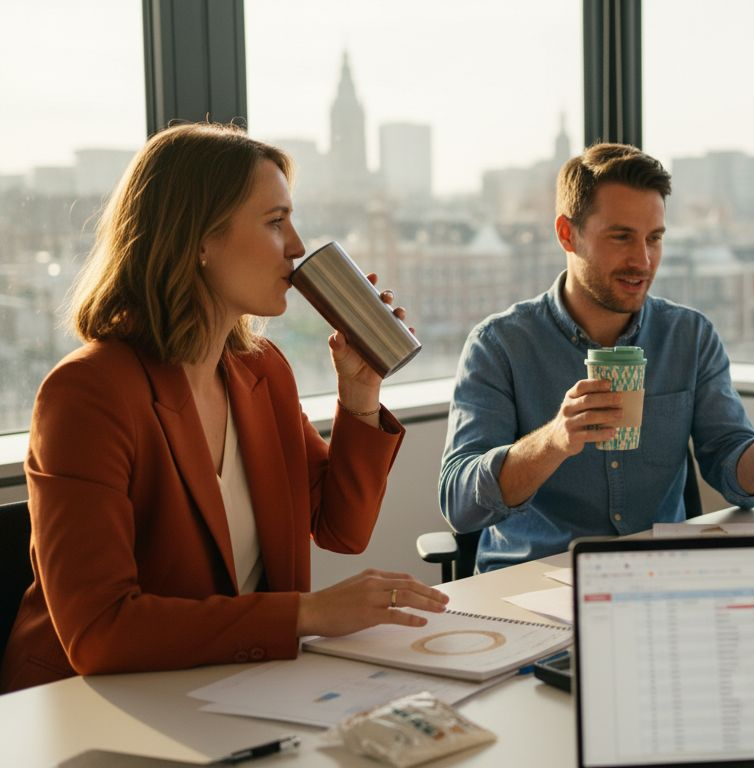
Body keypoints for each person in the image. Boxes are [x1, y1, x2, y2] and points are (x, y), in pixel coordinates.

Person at [1, 122, 448, 693]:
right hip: (94, 705)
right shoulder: (87, 394)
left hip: (232, 688)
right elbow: (100, 632)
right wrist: (307, 614)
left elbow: (341, 530)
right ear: (200, 241)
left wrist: (359, 397)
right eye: (275, 222)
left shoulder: (261, 371)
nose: (296, 246)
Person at [440, 143, 754, 572]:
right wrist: (554, 441)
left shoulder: (689, 336)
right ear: (566, 234)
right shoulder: (500, 345)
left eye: (654, 239)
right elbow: (460, 505)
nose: (643, 261)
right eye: (621, 237)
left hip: (657, 583)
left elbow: (736, 478)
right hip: (534, 585)